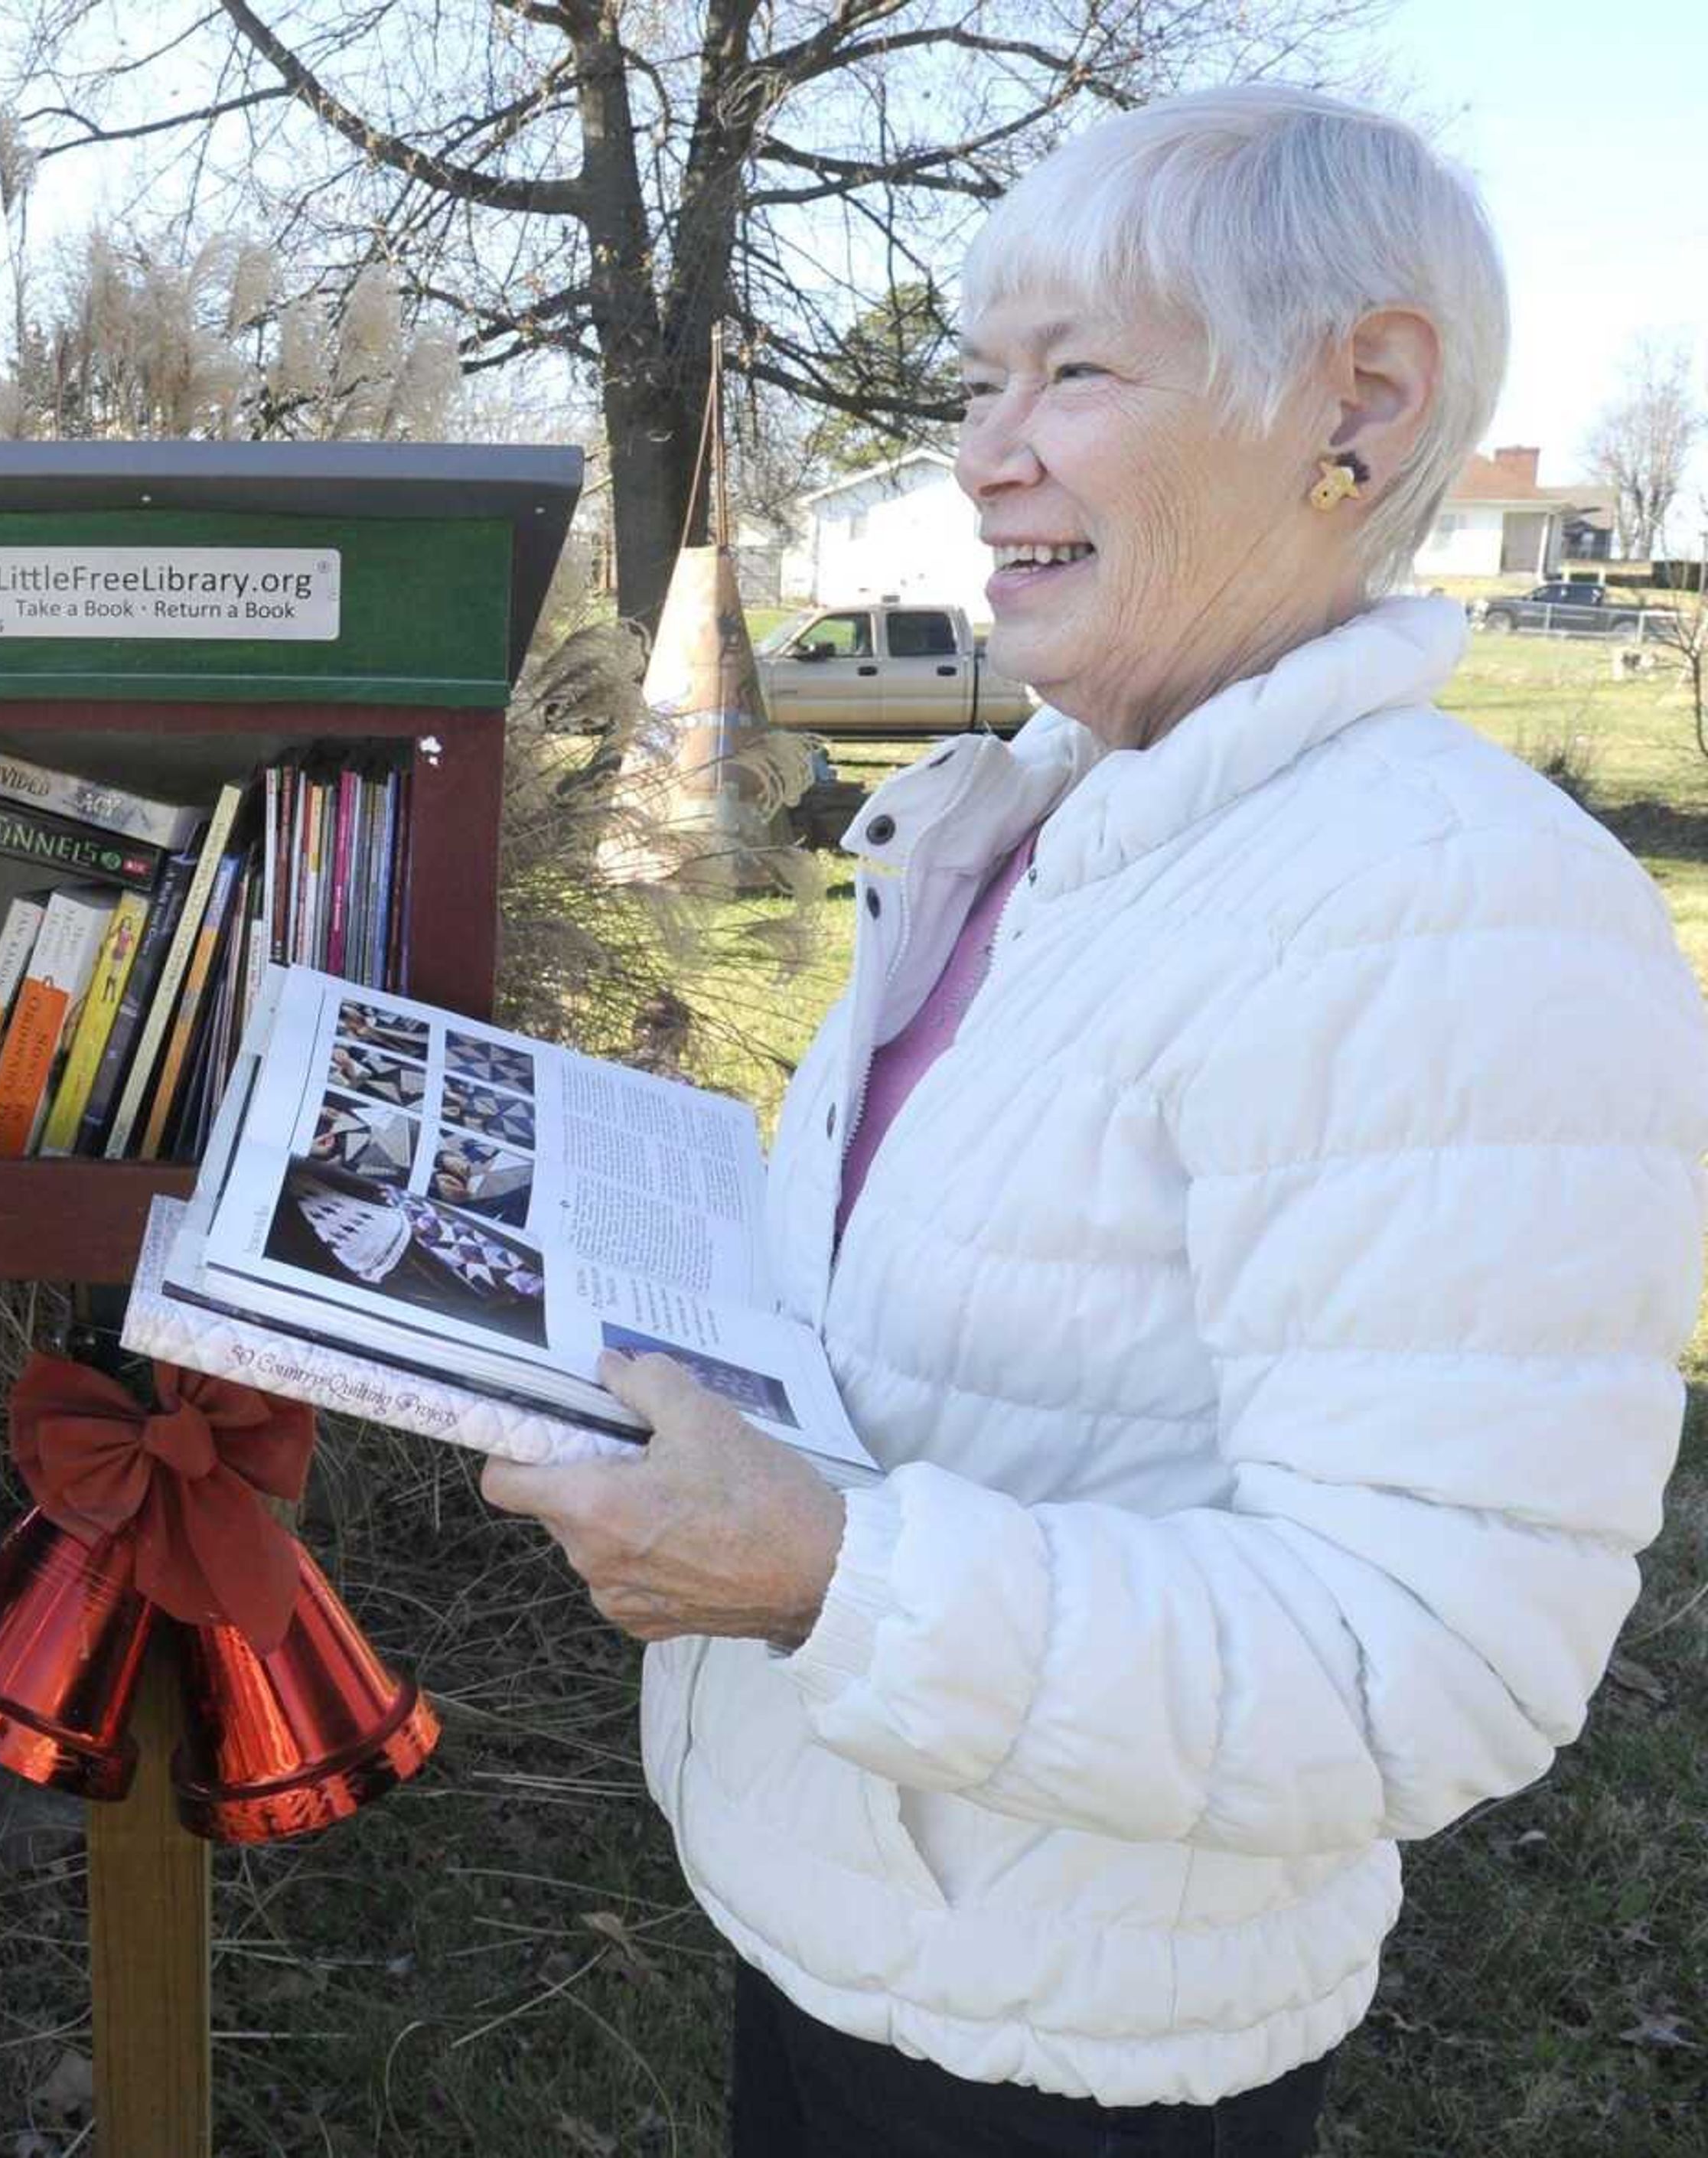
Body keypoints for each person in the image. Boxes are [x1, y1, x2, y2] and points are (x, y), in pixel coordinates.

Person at [481, 85, 1708, 2155]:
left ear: (1367, 401)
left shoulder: (1449, 904)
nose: (979, 454)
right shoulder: (1044, 823)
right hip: (862, 1940)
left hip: (1071, 2071)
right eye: (978, 381)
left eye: (1072, 371)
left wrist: (821, 1577)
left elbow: (1432, 1661)